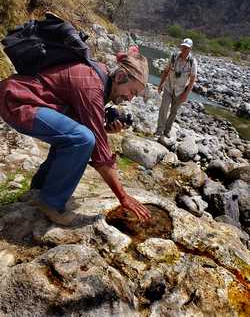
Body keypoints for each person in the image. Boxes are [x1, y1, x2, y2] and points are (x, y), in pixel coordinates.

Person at [0, 47, 151, 226]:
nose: (130, 98)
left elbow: (82, 122)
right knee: (83, 139)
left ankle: (40, 189)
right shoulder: (92, 86)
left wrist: (105, 130)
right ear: (119, 77)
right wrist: (123, 197)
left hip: (24, 98)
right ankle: (51, 205)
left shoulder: (101, 76)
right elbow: (99, 153)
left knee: (75, 136)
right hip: (18, 101)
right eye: (132, 91)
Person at [156, 38, 198, 140]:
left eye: (186, 48)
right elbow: (166, 71)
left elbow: (192, 79)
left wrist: (186, 94)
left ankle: (167, 131)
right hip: (168, 87)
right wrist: (160, 84)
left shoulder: (192, 62)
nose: (184, 49)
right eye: (183, 47)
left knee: (174, 112)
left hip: (180, 91)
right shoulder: (174, 57)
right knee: (163, 108)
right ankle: (159, 130)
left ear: (190, 49)